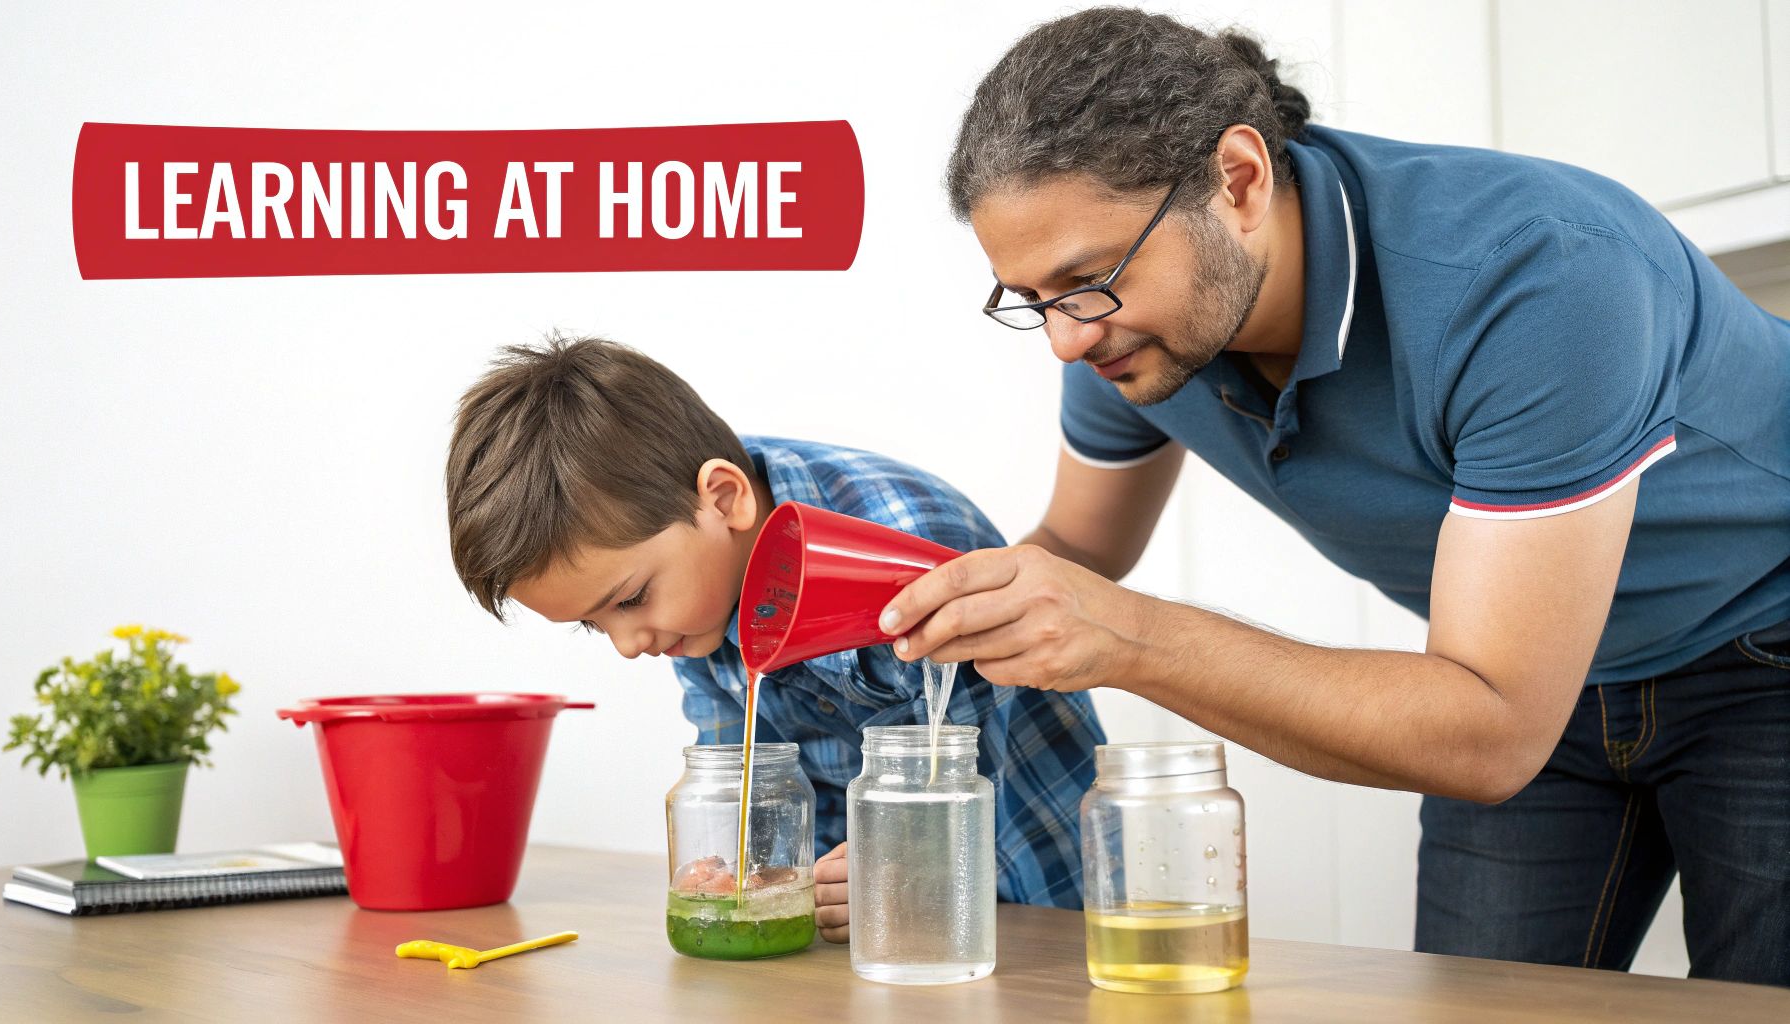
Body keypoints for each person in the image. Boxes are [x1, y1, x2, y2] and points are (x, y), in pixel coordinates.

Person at [883, 8, 1790, 984]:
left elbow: (1485, 732)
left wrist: (1125, 636)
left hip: (1761, 643)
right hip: (1517, 685)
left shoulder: (1533, 275)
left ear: (1235, 181)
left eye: (1085, 280)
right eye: (1031, 301)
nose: (1064, 339)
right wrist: (920, 659)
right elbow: (1075, 547)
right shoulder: (1129, 337)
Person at [443, 334, 1105, 940]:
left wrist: (913, 868)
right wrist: (748, 868)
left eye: (629, 601)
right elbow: (746, 791)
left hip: (1042, 912)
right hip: (875, 929)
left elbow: (972, 794)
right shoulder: (694, 595)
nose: (626, 643)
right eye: (594, 623)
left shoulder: (912, 556)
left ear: (725, 499)